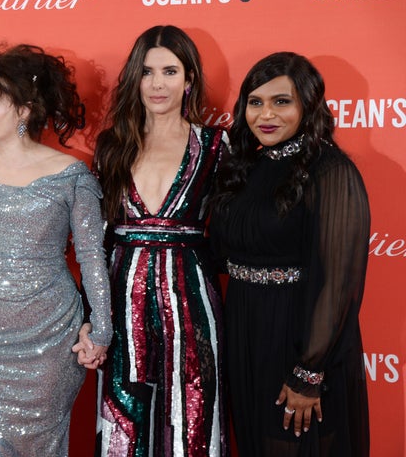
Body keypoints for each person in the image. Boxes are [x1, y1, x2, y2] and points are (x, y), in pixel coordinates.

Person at [0, 44, 112, 456]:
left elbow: (93, 255)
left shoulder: (69, 174)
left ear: (24, 110)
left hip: (52, 337)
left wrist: (102, 330)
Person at [209, 52, 370, 456]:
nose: (266, 114)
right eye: (255, 101)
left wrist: (308, 373)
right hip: (247, 330)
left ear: (308, 105)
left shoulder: (331, 171)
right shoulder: (243, 168)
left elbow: (339, 283)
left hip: (301, 339)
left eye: (282, 101)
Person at [91, 25, 228, 456]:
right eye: (147, 72)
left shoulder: (215, 146)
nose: (157, 84)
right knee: (122, 425)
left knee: (193, 419)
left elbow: (235, 230)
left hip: (193, 302)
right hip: (121, 299)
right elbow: (98, 237)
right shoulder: (112, 145)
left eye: (169, 71)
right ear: (135, 78)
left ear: (189, 79)